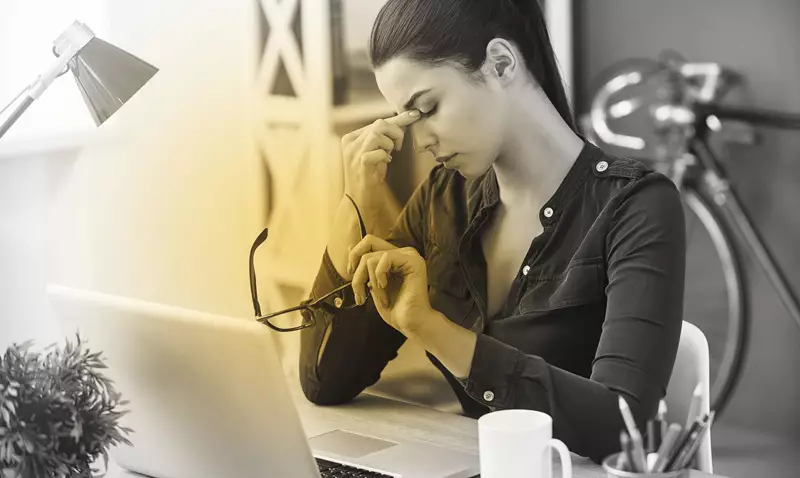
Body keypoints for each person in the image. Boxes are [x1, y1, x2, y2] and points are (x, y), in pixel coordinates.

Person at [298, 0, 686, 464]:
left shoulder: (634, 206)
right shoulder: (444, 201)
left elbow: (622, 423)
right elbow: (325, 382)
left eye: (427, 109)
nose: (419, 141)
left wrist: (432, 329)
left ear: (501, 64)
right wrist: (356, 200)